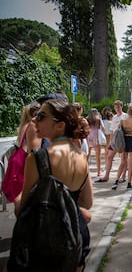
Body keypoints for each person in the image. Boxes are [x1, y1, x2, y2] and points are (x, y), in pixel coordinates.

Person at [9, 99, 93, 272]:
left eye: (41, 116)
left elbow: (24, 209)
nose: (34, 120)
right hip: (76, 236)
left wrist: (17, 200)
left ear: (59, 126)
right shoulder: (81, 157)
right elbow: (87, 203)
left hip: (44, 241)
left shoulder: (38, 158)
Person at [111, 105, 132, 190]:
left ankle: (116, 181)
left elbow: (118, 128)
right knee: (131, 164)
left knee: (123, 162)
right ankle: (129, 183)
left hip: (124, 141)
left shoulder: (123, 121)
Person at [95, 100, 127, 183]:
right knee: (109, 157)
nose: (117, 108)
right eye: (116, 107)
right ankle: (106, 176)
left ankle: (123, 176)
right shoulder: (114, 118)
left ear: (121, 106)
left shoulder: (125, 116)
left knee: (123, 158)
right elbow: (112, 130)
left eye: (118, 106)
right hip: (115, 140)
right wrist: (111, 142)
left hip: (123, 139)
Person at [86, 108, 105, 177]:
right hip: (96, 137)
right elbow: (103, 128)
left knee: (87, 155)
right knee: (98, 156)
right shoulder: (98, 119)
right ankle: (99, 172)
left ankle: (85, 170)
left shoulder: (87, 119)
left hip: (88, 137)